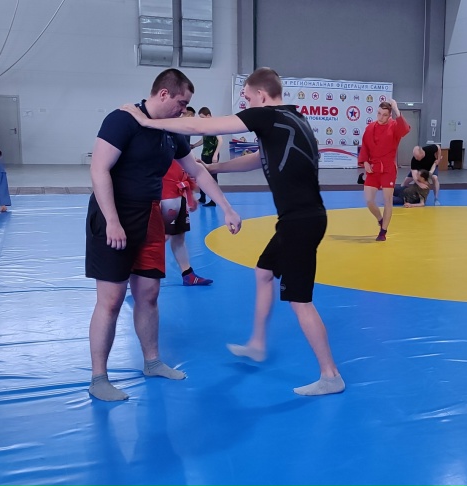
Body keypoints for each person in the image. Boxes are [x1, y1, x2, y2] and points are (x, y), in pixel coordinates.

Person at [120, 67, 345, 396]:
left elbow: (200, 126)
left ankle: (330, 375)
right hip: (300, 218)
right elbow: (258, 159)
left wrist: (148, 122)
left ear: (261, 96)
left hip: (301, 222)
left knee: (300, 301)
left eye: (249, 98)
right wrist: (213, 168)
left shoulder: (266, 115)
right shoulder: (294, 118)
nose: (247, 103)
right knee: (263, 272)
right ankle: (257, 343)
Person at [85, 68, 241, 402]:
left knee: (149, 294)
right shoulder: (122, 120)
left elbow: (196, 169)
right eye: (182, 103)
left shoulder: (171, 131)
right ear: (164, 94)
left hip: (150, 216)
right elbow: (99, 169)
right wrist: (112, 220)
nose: (184, 110)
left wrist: (226, 207)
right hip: (114, 214)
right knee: (111, 300)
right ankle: (99, 377)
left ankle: (152, 361)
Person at [359, 100, 411, 241]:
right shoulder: (370, 128)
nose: (381, 117)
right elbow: (365, 146)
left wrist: (396, 108)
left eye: (384, 115)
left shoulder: (394, 126)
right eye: (379, 113)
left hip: (388, 168)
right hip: (373, 168)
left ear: (390, 116)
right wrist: (365, 162)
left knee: (388, 200)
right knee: (369, 200)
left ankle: (383, 231)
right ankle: (380, 219)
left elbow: (405, 129)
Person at [161, 159, 213, 286]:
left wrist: (190, 193)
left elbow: (182, 167)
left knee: (179, 235)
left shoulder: (177, 147)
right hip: (165, 195)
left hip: (178, 193)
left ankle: (188, 274)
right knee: (163, 236)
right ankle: (135, 269)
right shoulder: (159, 147)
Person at [195, 106, 223, 207]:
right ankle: (202, 197)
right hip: (205, 154)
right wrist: (194, 145)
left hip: (212, 155)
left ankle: (214, 200)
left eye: (202, 117)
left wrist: (215, 154)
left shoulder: (215, 126)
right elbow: (204, 140)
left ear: (208, 115)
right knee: (202, 176)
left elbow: (220, 141)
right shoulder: (205, 127)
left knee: (213, 178)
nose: (201, 120)